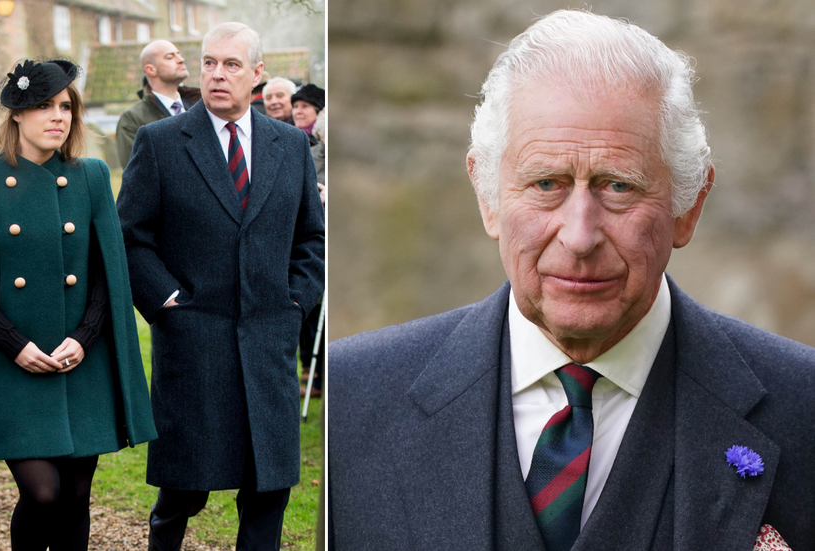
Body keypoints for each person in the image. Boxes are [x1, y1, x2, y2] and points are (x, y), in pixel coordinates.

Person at [329, 10, 815, 551]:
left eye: (619, 186)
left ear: (688, 207)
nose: (580, 236)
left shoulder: (805, 410)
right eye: (545, 183)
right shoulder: (350, 402)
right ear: (488, 197)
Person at [116, 22, 325, 551]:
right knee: (182, 492)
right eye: (209, 62)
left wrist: (296, 302)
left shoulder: (290, 145)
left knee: (267, 492)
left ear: (257, 74)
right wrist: (166, 302)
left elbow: (311, 238)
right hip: (194, 343)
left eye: (231, 65)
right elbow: (130, 236)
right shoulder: (160, 142)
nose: (216, 74)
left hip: (268, 342)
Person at [0, 59, 157, 551]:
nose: (57, 116)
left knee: (77, 494)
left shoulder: (90, 176)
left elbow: (110, 272)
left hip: (80, 361)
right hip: (14, 364)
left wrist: (84, 339)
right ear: (16, 113)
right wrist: (15, 344)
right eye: (43, 106)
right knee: (42, 494)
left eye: (65, 106)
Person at [116, 39, 202, 168]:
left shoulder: (203, 106)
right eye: (170, 57)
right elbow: (137, 174)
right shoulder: (132, 120)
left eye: (179, 54)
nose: (181, 59)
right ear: (151, 70)